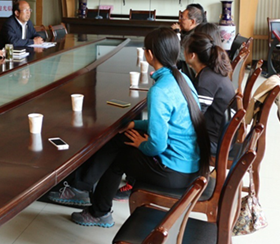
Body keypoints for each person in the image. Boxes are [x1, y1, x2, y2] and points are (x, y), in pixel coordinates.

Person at [48, 28, 210, 228]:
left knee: (120, 156)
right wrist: (135, 124)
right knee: (122, 137)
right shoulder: (182, 79)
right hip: (190, 165)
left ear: (149, 54)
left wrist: (142, 144)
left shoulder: (160, 90)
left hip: (174, 172)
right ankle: (83, 190)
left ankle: (97, 210)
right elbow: (168, 124)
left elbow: (157, 145)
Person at [184, 32, 235, 154]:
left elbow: (194, 117)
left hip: (216, 142)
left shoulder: (206, 80)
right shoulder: (212, 71)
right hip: (223, 135)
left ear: (192, 55)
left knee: (167, 138)